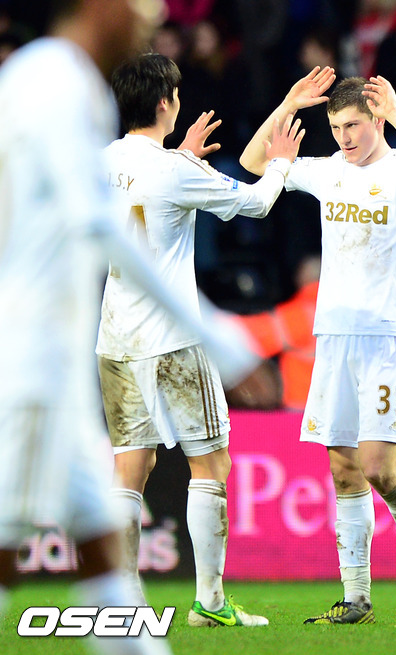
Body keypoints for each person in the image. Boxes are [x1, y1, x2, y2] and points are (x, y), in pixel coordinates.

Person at [95, 52, 304, 627]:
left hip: (115, 337)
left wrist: (183, 157)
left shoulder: (102, 161)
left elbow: (142, 203)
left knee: (128, 469)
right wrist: (281, 164)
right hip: (172, 339)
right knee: (211, 464)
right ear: (166, 103)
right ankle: (210, 603)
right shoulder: (174, 171)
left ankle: (125, 605)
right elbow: (257, 204)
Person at [240, 65, 396, 625]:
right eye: (336, 128)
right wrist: (289, 105)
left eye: (354, 125)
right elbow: (254, 162)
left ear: (375, 120)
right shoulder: (327, 170)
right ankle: (356, 599)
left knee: (379, 467)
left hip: (388, 337)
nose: (345, 137)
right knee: (343, 470)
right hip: (334, 339)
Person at [0, 0, 178, 653]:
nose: (155, 12)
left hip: (53, 367)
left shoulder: (50, 76)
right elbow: (97, 220)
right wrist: (215, 336)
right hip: (32, 362)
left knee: (106, 562)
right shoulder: (58, 81)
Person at [233, 254, 321, 410]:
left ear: (301, 278)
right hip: (340, 409)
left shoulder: (301, 314)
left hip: (303, 410)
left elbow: (250, 336)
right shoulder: (350, 316)